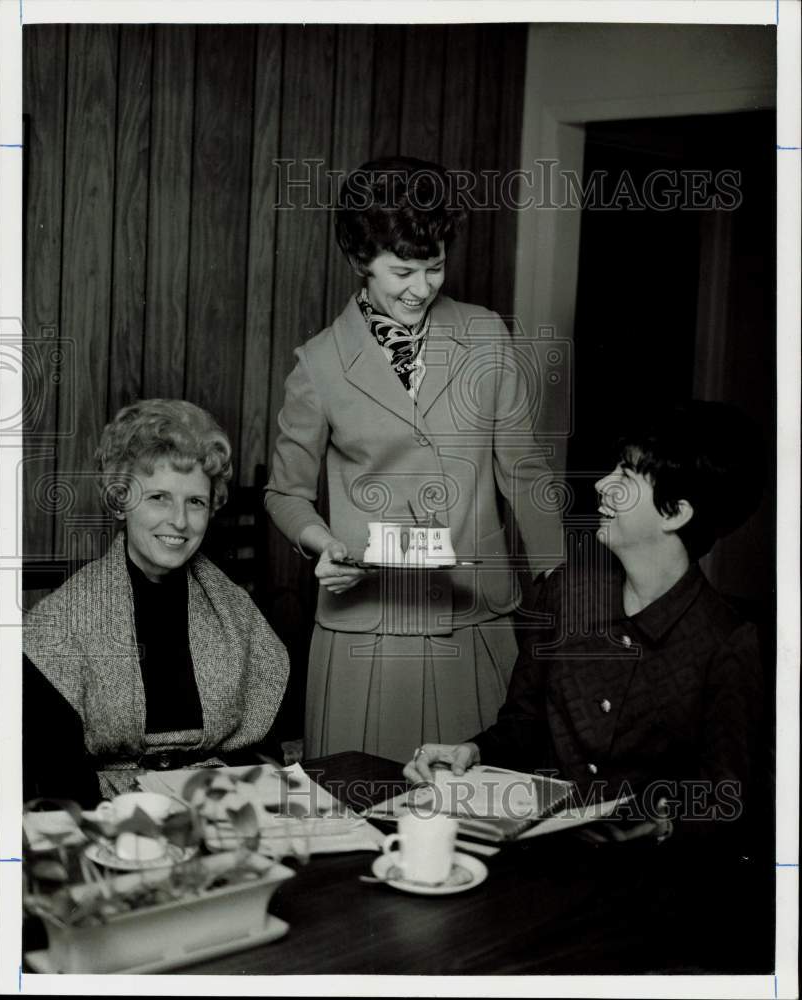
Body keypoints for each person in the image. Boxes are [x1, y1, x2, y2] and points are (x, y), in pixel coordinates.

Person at [265, 156, 562, 762]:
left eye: (435, 267)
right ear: (359, 262)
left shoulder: (486, 335)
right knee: (363, 822)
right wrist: (322, 544)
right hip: (366, 635)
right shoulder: (318, 363)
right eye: (402, 271)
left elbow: (524, 471)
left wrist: (560, 582)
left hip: (478, 624)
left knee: (484, 817)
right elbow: (285, 493)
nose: (423, 287)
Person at [404, 400, 767, 845]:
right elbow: (524, 723)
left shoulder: (728, 642)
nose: (600, 485)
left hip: (646, 891)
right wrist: (472, 752)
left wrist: (661, 822)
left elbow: (725, 797)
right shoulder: (563, 594)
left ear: (675, 513)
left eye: (626, 477)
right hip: (539, 859)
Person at [23, 399, 290, 803]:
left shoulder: (236, 612)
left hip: (223, 804)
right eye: (159, 498)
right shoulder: (60, 623)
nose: (180, 521)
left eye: (195, 502)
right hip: (111, 814)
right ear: (120, 501)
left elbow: (263, 750)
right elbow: (55, 780)